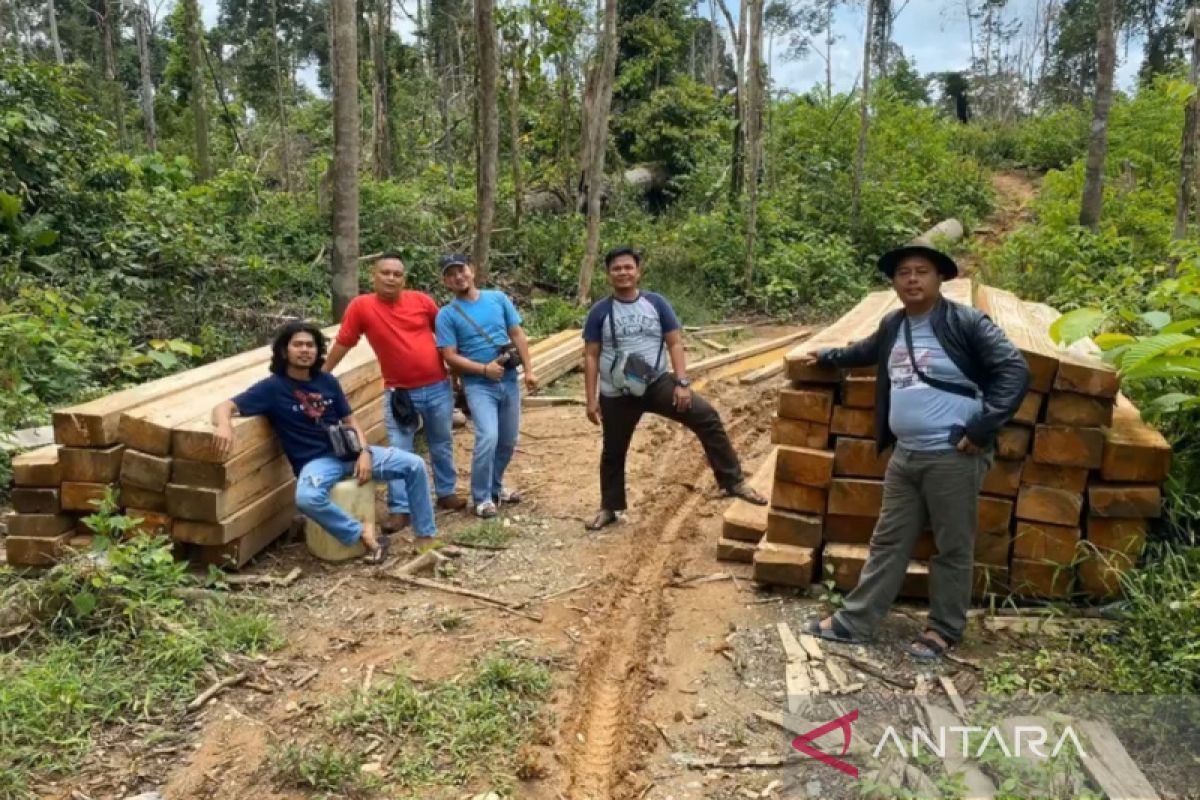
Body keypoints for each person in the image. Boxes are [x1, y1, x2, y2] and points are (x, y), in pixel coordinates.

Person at [796, 244, 1030, 660]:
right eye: (903, 273)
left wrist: (982, 427)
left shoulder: (966, 322)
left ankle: (943, 629)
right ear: (895, 283)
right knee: (888, 541)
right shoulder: (893, 324)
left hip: (953, 456)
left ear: (940, 279)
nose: (912, 280)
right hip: (905, 456)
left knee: (951, 545)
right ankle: (857, 620)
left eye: (922, 271)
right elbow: (865, 351)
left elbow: (1013, 369)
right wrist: (830, 356)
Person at [211, 322, 438, 562]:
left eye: (310, 345)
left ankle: (425, 536)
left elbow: (350, 420)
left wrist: (364, 453)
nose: (305, 350)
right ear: (283, 351)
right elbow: (224, 406)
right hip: (317, 462)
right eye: (298, 344)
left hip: (350, 452)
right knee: (307, 498)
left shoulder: (327, 381)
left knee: (414, 464)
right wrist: (224, 424)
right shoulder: (272, 388)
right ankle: (359, 531)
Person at [582, 247, 768, 532]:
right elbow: (592, 355)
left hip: (656, 382)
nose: (623, 273)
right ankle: (610, 507)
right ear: (608, 275)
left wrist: (682, 383)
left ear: (638, 271)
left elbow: (675, 343)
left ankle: (733, 481)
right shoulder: (600, 311)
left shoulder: (656, 304)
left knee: (706, 417)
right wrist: (591, 399)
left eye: (628, 267)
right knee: (613, 450)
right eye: (616, 268)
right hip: (617, 392)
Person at [324, 253, 466, 537]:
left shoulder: (422, 301)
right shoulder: (362, 307)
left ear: (404, 279)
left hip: (437, 385)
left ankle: (446, 492)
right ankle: (400, 508)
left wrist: (459, 374)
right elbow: (344, 342)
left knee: (441, 441)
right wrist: (322, 374)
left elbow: (447, 335)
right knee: (399, 452)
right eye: (385, 273)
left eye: (397, 274)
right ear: (373, 276)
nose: (391, 278)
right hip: (399, 393)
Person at [434, 254, 537, 518]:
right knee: (488, 437)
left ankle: (495, 486)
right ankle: (481, 498)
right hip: (478, 386)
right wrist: (483, 369)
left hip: (509, 381)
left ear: (473, 270)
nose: (459, 277)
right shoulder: (447, 315)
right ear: (446, 281)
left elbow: (516, 334)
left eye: (462, 270)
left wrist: (529, 370)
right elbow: (449, 355)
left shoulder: (498, 298)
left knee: (508, 440)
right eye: (451, 274)